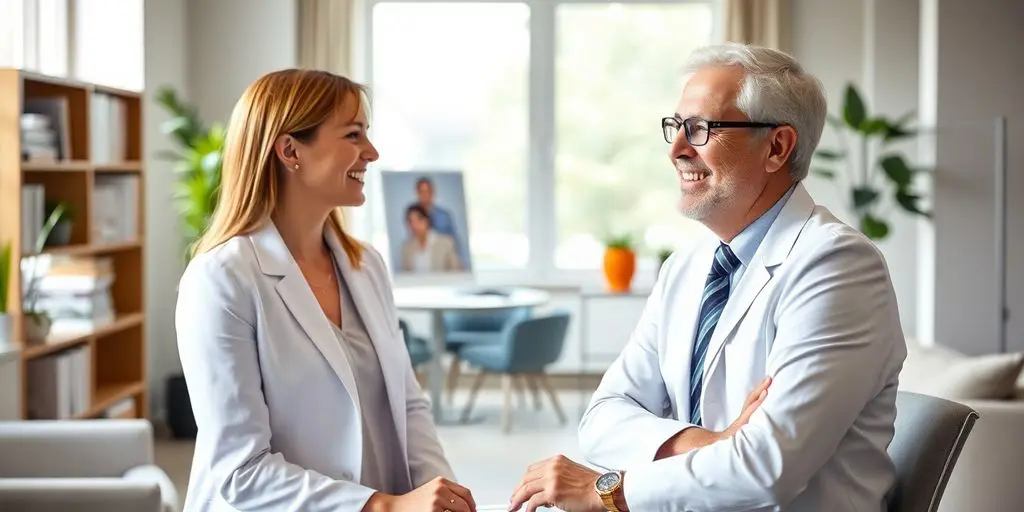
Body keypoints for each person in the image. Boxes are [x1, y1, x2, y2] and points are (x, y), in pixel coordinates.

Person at [507, 42, 907, 512]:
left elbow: (765, 468)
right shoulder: (686, 267)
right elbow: (601, 418)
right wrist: (713, 442)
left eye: (700, 129)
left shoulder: (837, 266)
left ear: (777, 147)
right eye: (676, 127)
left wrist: (605, 492)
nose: (677, 149)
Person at [174, 69, 477, 512]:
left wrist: (438, 492)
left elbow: (409, 406)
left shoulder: (365, 265)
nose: (370, 152)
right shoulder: (222, 279)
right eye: (353, 135)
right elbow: (240, 471)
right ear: (290, 150)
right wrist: (384, 506)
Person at [410, 177, 468, 266]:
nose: (425, 195)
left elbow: (454, 241)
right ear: (417, 193)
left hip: (443, 261)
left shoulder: (445, 215)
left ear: (433, 193)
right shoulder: (413, 216)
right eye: (422, 192)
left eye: (428, 192)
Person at [401, 204, 463, 273]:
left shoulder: (445, 242)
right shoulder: (406, 248)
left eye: (419, 220)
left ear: (427, 221)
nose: (415, 225)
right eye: (411, 221)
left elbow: (457, 270)